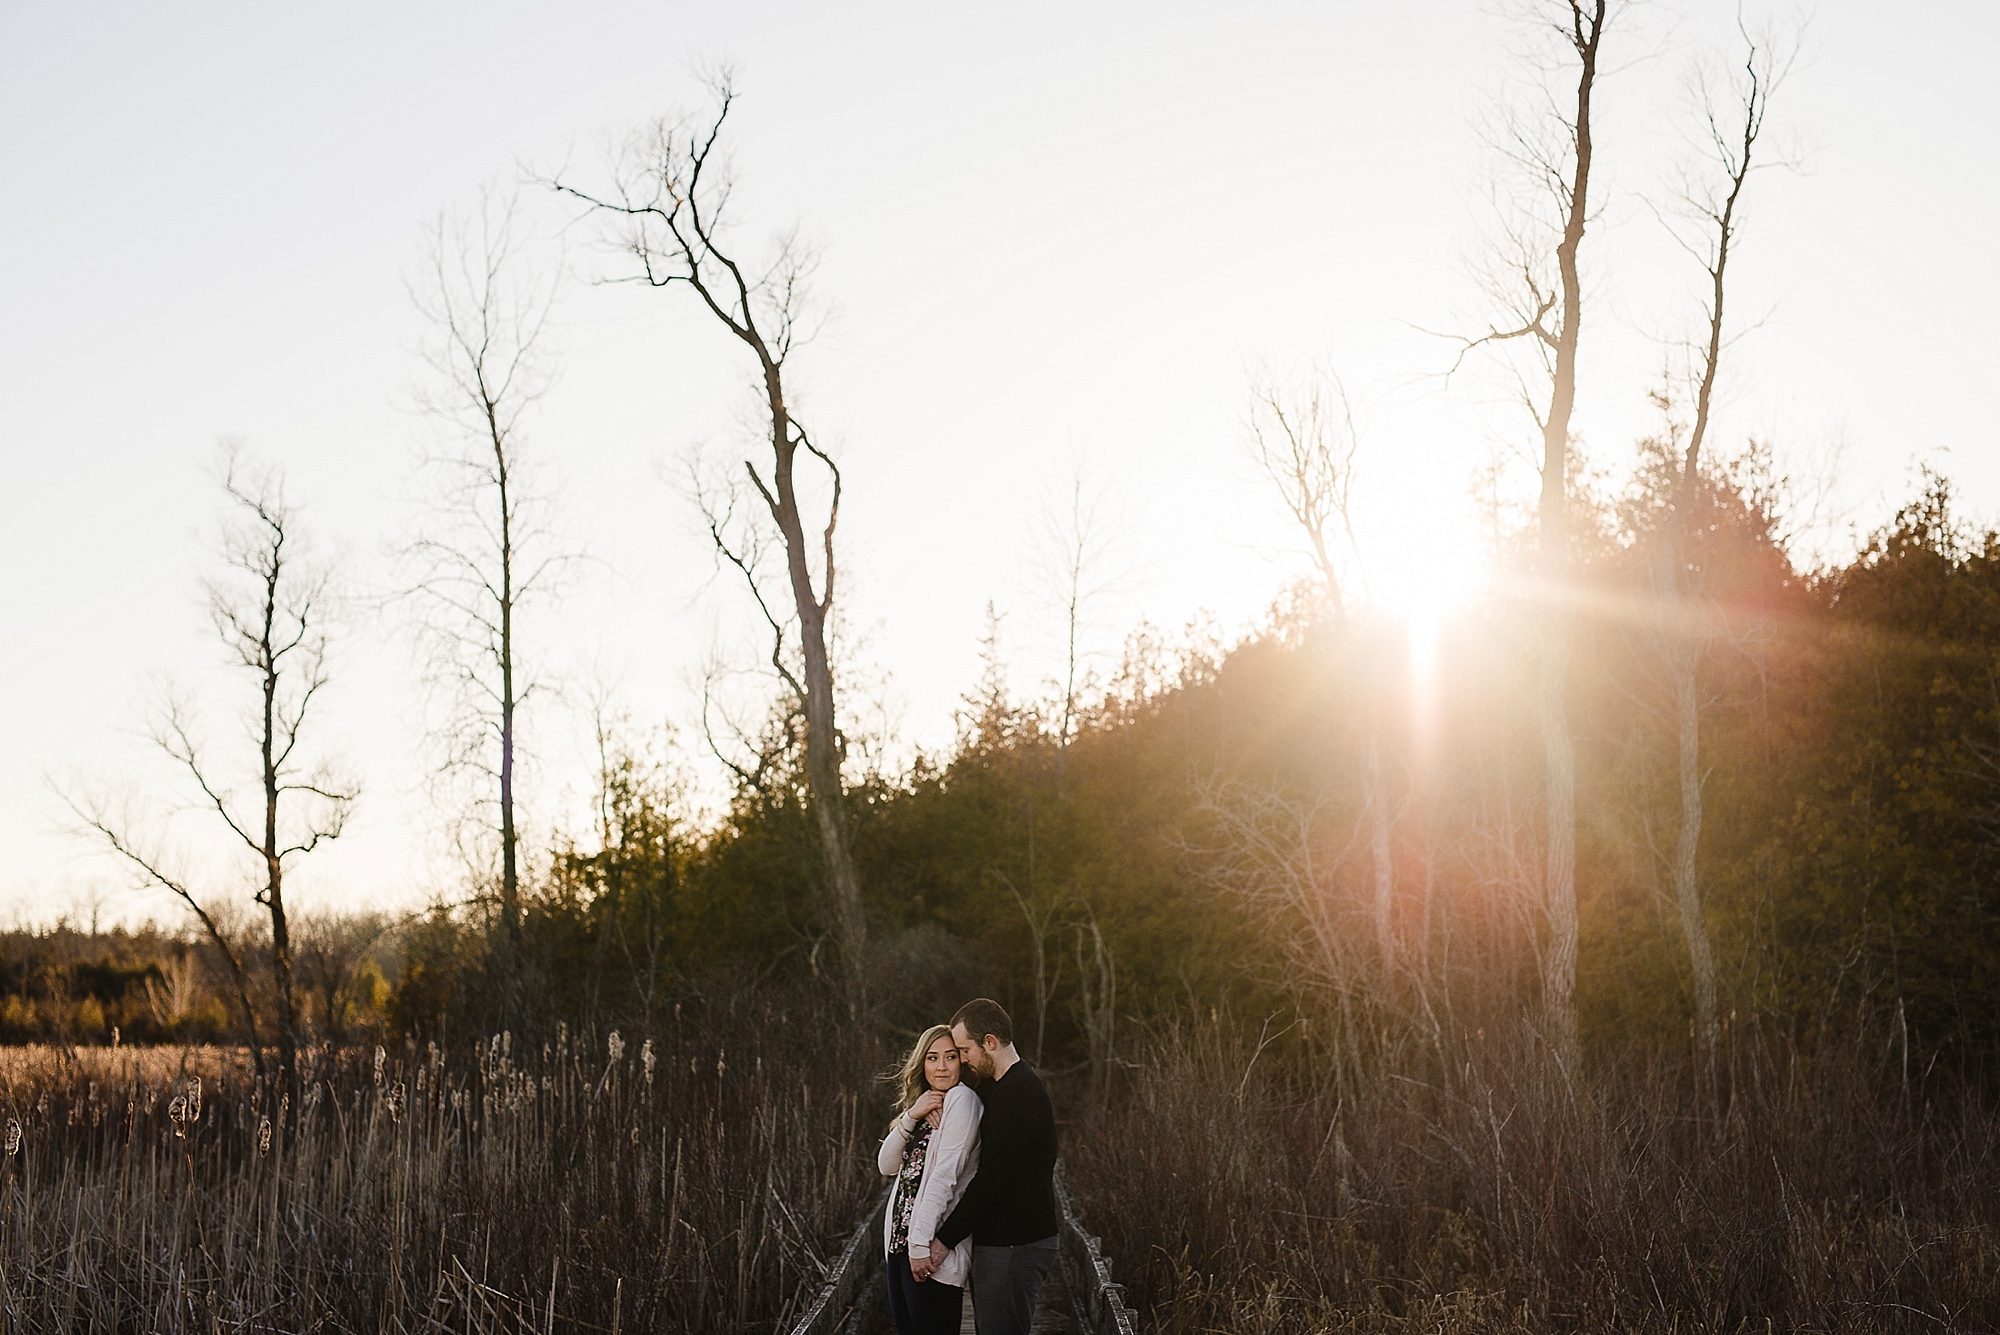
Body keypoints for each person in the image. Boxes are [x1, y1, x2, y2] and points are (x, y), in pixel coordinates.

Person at [922, 998, 1060, 1335]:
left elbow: (990, 1181)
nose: (962, 1058)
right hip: (1004, 1243)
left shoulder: (1019, 1093)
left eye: (964, 1049)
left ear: (990, 1042)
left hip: (1016, 1244)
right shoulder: (996, 1087)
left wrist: (942, 1241)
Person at [876, 1024, 982, 1335]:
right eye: (933, 1058)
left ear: (961, 1061)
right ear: (922, 1063)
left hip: (927, 1252)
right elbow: (886, 1165)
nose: (942, 1066)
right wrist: (912, 1114)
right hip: (899, 1245)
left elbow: (944, 1178)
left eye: (950, 1057)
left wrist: (920, 1245)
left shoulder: (963, 1101)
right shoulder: (925, 1105)